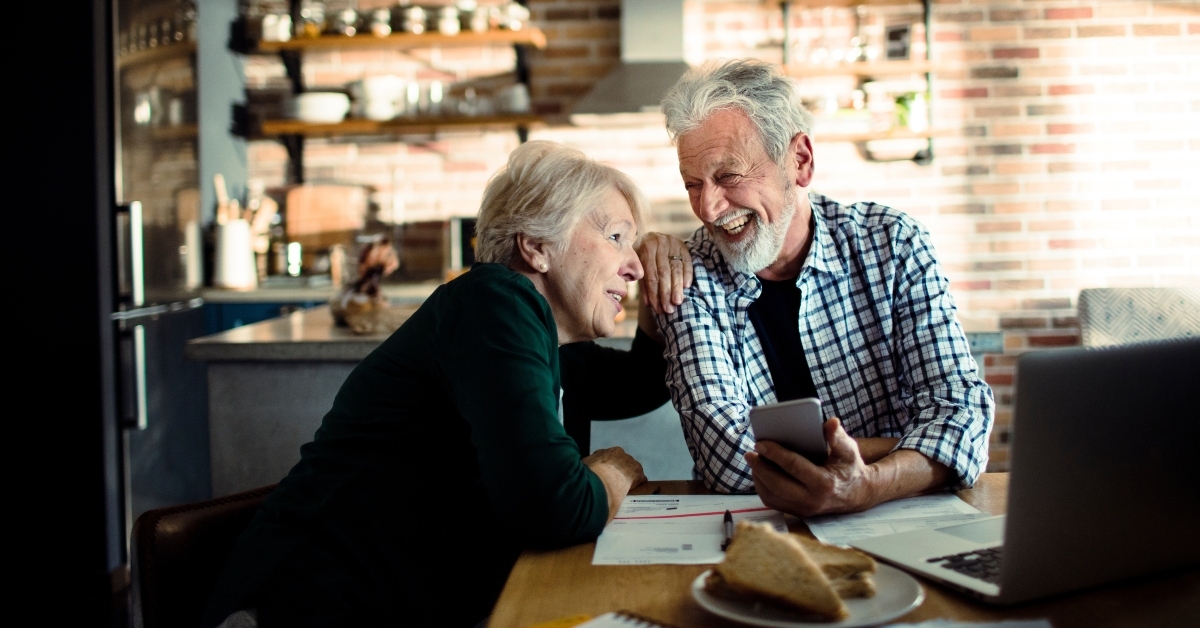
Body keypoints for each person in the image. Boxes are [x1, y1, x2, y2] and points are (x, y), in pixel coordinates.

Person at [203, 141, 688, 628]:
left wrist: (658, 289)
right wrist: (612, 472)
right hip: (304, 607)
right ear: (538, 247)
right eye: (616, 237)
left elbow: (641, 383)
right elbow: (553, 508)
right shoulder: (493, 304)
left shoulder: (544, 337)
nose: (634, 266)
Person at [654, 59, 994, 517]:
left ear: (800, 161)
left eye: (728, 176)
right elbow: (728, 459)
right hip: (764, 529)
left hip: (904, 518)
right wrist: (908, 446)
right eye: (693, 185)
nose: (709, 208)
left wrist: (869, 485)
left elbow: (964, 418)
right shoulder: (690, 276)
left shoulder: (892, 244)